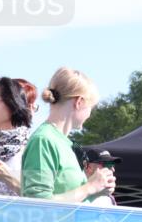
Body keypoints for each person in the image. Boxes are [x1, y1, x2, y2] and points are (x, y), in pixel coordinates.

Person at [21, 67, 115, 202]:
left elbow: (69, 199)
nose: (90, 114)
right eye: (91, 107)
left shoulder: (63, 142)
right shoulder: (44, 140)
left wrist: (98, 190)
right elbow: (39, 203)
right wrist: (89, 187)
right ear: (79, 102)